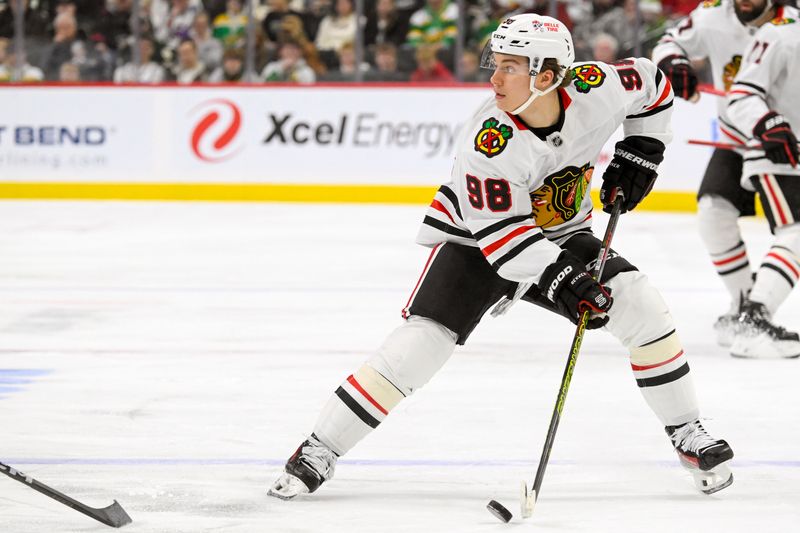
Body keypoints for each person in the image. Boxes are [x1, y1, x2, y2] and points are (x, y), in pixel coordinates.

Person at [269, 14, 734, 501]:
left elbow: (654, 84)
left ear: (549, 75)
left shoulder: (597, 86)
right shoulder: (490, 141)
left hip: (560, 230)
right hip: (476, 241)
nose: (493, 78)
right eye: (496, 63)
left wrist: (642, 148)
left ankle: (687, 432)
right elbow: (505, 238)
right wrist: (563, 281)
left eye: (509, 67)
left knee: (640, 302)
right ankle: (320, 447)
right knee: (421, 345)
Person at [652, 0, 800, 357]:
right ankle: (748, 311)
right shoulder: (715, 15)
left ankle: (751, 311)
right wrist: (672, 62)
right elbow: (668, 44)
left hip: (777, 135)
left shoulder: (786, 27)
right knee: (714, 213)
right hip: (750, 135)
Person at [724, 13, 800, 358]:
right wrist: (767, 122)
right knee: (797, 234)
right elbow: (740, 96)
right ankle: (753, 320)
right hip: (776, 156)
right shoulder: (781, 33)